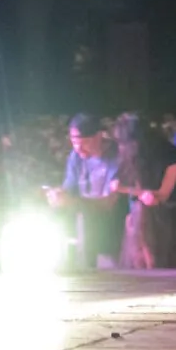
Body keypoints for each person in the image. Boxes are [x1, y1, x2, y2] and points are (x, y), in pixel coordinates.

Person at [116, 114, 176, 269]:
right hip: (143, 212)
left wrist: (131, 191)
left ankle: (151, 266)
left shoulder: (172, 155)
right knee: (140, 212)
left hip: (174, 207)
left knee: (144, 212)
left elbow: (163, 194)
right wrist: (136, 193)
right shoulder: (131, 157)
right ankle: (146, 265)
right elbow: (117, 184)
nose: (123, 148)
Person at [46, 114, 123, 268]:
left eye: (85, 142)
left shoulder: (118, 156)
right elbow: (69, 189)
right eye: (74, 143)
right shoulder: (76, 156)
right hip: (83, 223)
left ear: (99, 136)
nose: (79, 148)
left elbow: (110, 203)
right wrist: (57, 195)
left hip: (113, 226)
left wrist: (73, 202)